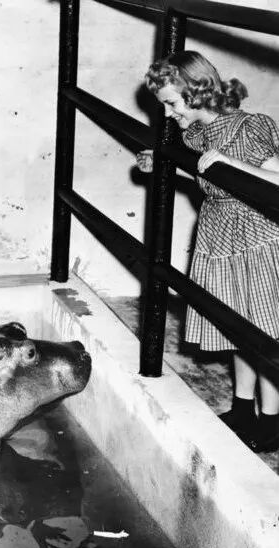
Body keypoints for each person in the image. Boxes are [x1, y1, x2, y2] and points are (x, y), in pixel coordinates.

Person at [136, 50, 279, 453]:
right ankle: (242, 407)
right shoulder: (197, 134)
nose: (168, 114)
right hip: (219, 235)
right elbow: (200, 167)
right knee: (236, 324)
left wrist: (232, 164)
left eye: (172, 104)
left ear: (196, 93)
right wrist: (161, 160)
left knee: (263, 329)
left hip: (256, 235)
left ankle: (272, 420)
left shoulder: (248, 127)